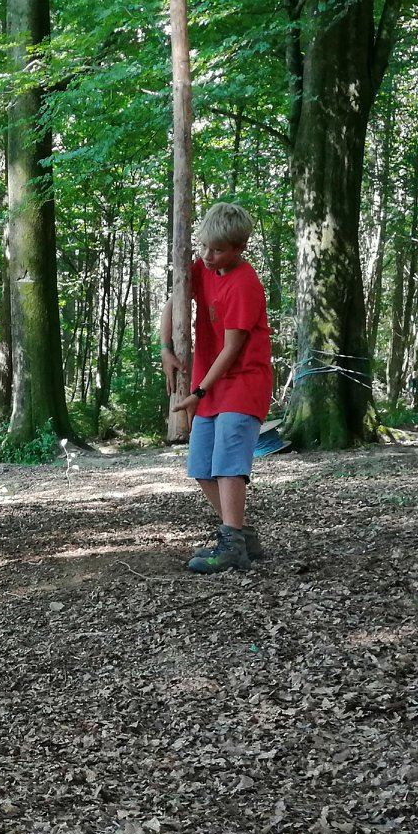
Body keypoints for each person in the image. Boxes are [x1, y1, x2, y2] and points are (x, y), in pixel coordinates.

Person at [164, 202, 274, 573]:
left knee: (228, 462)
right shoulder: (203, 267)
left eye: (218, 250)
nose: (208, 257)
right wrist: (165, 348)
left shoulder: (245, 283)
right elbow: (173, 302)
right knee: (200, 465)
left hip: (242, 382)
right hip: (209, 384)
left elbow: (233, 348)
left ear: (238, 248)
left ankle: (231, 545)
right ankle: (241, 535)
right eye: (204, 247)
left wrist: (199, 392)